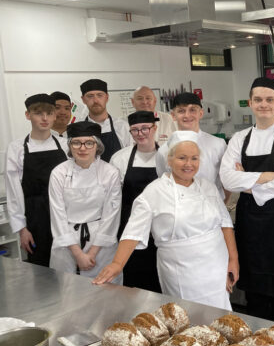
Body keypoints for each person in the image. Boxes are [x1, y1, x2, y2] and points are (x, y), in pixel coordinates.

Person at [93, 131, 238, 310]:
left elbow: (225, 224)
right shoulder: (154, 192)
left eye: (194, 158)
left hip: (216, 264)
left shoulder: (207, 186)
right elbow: (133, 232)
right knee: (187, 317)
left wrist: (233, 259)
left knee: (220, 315)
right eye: (182, 158)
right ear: (169, 160)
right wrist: (117, 264)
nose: (189, 164)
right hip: (180, 268)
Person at [220, 77, 274, 321]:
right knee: (254, 293)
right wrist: (269, 176)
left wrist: (246, 181)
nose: (264, 104)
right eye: (258, 99)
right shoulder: (239, 138)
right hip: (249, 225)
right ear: (250, 103)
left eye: (269, 99)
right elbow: (227, 179)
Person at [48, 121, 122, 284]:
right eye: (76, 142)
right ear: (69, 145)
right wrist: (78, 254)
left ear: (98, 145)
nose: (82, 148)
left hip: (101, 243)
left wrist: (92, 253)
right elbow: (57, 215)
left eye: (89, 143)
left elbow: (112, 215)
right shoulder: (58, 173)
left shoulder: (110, 172)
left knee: (105, 295)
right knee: (68, 295)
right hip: (67, 242)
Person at [5, 94, 67, 266]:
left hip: (64, 213)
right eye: (39, 113)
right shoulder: (16, 149)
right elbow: (14, 192)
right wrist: (22, 229)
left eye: (49, 113)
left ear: (55, 115)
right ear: (28, 115)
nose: (45, 118)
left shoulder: (65, 145)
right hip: (35, 217)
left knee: (70, 266)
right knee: (42, 269)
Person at [109, 111, 161, 292]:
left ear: (154, 128)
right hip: (130, 224)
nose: (140, 133)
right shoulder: (120, 158)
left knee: (160, 274)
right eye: (135, 130)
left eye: (145, 128)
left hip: (160, 225)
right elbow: (113, 198)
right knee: (134, 276)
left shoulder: (167, 156)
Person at [155, 92, 227, 199]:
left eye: (192, 110)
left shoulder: (218, 144)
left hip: (212, 207)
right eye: (181, 111)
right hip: (179, 210)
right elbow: (164, 184)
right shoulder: (164, 150)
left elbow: (227, 181)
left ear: (201, 113)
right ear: (173, 116)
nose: (187, 115)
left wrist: (221, 206)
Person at [80, 78, 132, 162]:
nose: (96, 100)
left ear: (107, 97)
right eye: (90, 96)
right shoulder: (79, 129)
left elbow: (130, 158)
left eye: (100, 95)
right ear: (83, 100)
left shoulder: (123, 126)